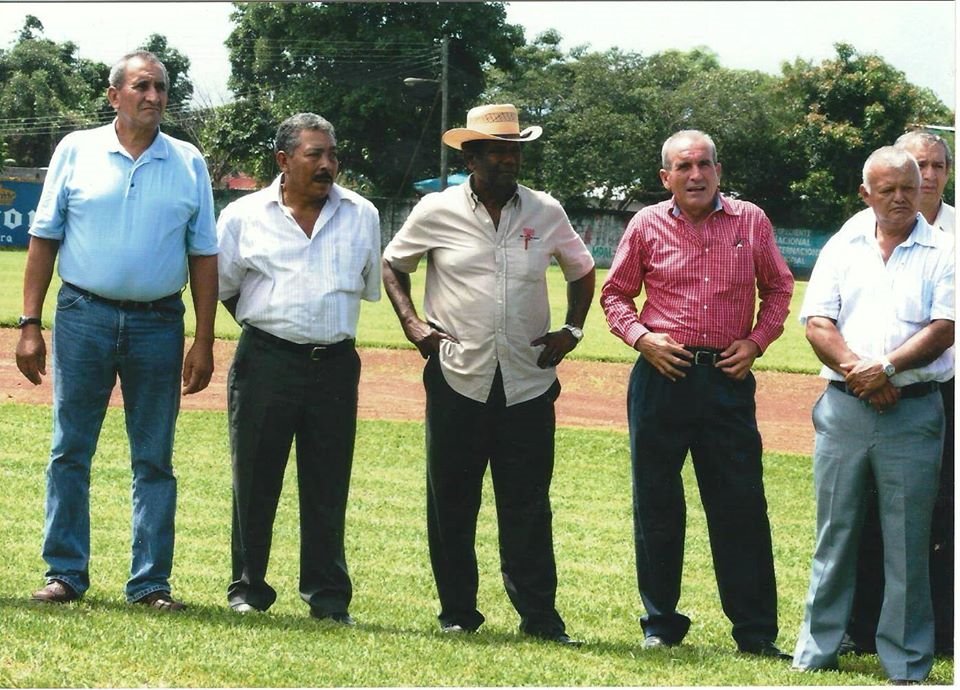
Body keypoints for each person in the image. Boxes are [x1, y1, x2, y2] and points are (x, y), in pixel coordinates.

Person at [381, 104, 595, 645]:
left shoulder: (545, 210)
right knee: (452, 500)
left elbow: (582, 268)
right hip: (457, 375)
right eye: (496, 151)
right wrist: (412, 324)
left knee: (528, 503)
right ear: (470, 158)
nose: (507, 159)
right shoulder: (436, 210)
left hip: (528, 379)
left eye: (513, 150)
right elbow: (394, 264)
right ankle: (458, 612)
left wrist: (572, 328)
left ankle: (540, 619)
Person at [15, 50, 219, 611]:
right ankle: (64, 573)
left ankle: (150, 583)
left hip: (159, 321)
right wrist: (29, 323)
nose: (153, 96)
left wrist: (204, 339)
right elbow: (44, 237)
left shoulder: (188, 162)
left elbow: (204, 254)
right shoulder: (76, 150)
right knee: (70, 448)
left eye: (161, 88)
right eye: (141, 86)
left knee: (154, 456)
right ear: (114, 96)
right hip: (84, 314)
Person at [600, 130, 794, 658]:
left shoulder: (750, 221)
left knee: (740, 504)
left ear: (718, 171)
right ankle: (660, 623)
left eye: (704, 164)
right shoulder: (646, 223)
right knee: (657, 503)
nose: (696, 175)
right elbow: (615, 294)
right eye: (683, 167)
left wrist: (756, 341)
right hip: (662, 376)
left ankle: (755, 631)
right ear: (666, 177)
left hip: (726, 379)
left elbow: (779, 287)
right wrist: (642, 339)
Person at [791, 146, 954, 683]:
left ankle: (905, 662)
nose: (902, 198)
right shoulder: (844, 243)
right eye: (888, 190)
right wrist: (860, 372)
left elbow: (944, 328)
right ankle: (817, 651)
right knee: (834, 533)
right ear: (866, 194)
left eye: (909, 187)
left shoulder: (945, 248)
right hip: (844, 408)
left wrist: (884, 369)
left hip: (913, 410)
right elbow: (818, 321)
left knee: (907, 541)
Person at [216, 113, 381, 622]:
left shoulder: (362, 215)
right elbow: (225, 287)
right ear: (284, 161)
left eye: (333, 155)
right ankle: (248, 589)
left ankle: (328, 597)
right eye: (315, 155)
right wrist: (272, 326)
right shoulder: (243, 216)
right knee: (254, 479)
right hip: (265, 361)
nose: (327, 164)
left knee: (328, 483)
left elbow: (367, 283)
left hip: (334, 365)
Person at [843, 131, 955, 657]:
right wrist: (876, 374)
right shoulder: (857, 230)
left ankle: (943, 630)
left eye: (937, 165)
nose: (926, 175)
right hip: (871, 389)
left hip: (940, 389)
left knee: (941, 513)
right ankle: (862, 626)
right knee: (867, 512)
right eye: (917, 164)